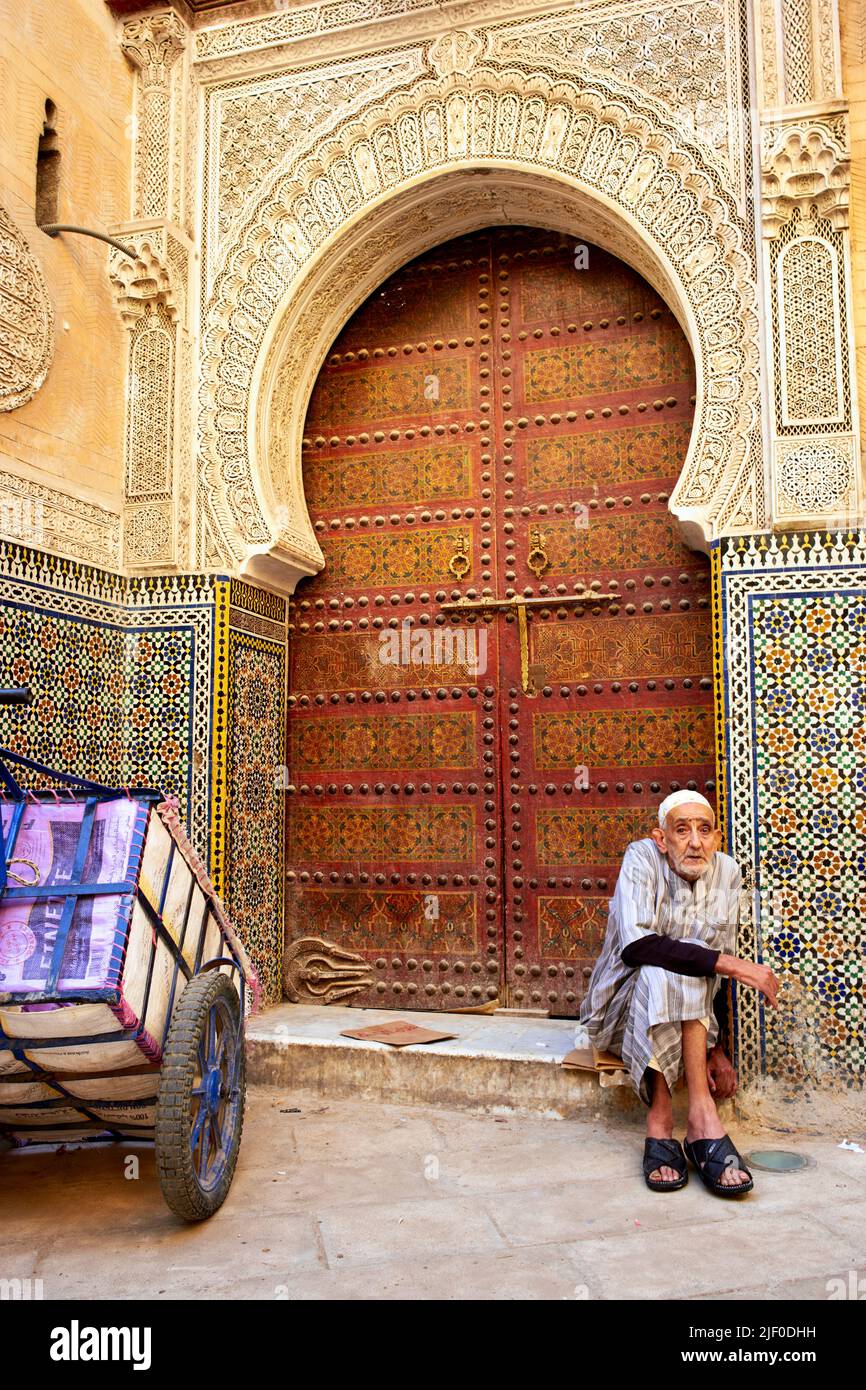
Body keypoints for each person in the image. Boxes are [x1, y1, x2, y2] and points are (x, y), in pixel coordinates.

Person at [579, 791, 779, 1196]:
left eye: (705, 830)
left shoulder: (726, 872)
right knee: (663, 967)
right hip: (619, 1013)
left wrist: (716, 1048)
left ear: (717, 838)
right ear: (660, 837)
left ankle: (690, 1123)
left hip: (692, 1017)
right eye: (682, 830)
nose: (694, 842)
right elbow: (638, 946)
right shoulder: (640, 858)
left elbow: (714, 971)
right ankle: (669, 1117)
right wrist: (733, 964)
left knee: (691, 964)